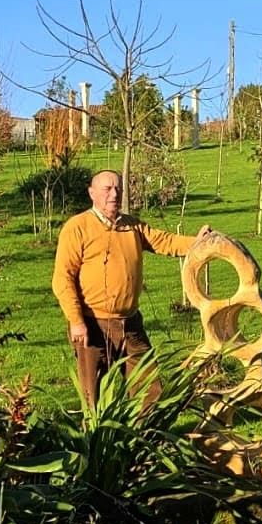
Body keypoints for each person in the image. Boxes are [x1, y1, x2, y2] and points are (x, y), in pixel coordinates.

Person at [52, 169, 211, 406]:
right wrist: (76, 321)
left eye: (118, 188)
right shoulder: (77, 228)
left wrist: (198, 243)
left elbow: (165, 241)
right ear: (92, 193)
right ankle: (97, 441)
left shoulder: (132, 226)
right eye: (107, 189)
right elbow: (62, 278)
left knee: (149, 388)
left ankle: (145, 439)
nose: (114, 194)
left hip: (130, 324)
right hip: (93, 324)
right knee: (94, 395)